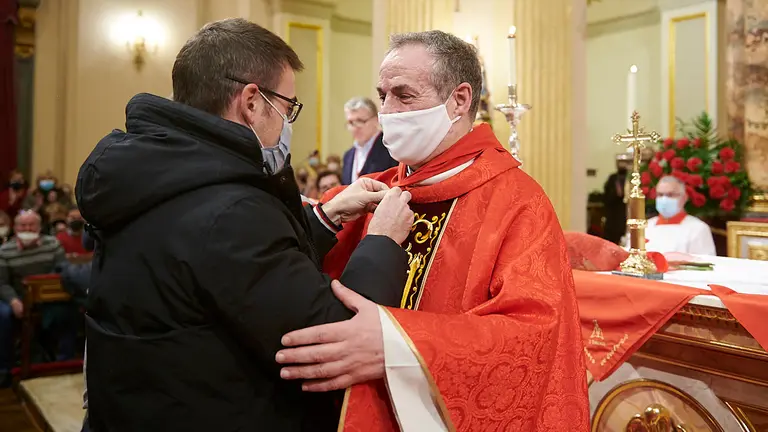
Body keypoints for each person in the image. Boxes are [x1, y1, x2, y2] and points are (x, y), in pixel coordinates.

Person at [76, 19, 414, 432]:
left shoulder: (156, 172)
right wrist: (381, 241)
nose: (288, 122)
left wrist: (326, 216)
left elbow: (234, 266)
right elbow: (335, 341)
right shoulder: (230, 208)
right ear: (252, 101)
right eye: (288, 107)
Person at [276, 30, 589, 431]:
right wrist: (329, 216)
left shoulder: (516, 202)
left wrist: (398, 346)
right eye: (382, 94)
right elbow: (288, 271)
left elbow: (533, 335)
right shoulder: (374, 190)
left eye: (403, 96)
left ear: (459, 100)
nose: (387, 110)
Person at [0, 211, 73, 383]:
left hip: (46, 296)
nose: (27, 228)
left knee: (69, 311)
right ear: (15, 228)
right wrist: (13, 301)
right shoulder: (4, 251)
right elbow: (1, 283)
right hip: (15, 297)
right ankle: (4, 369)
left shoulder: (53, 245)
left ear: (39, 227)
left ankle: (65, 363)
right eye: (23, 225)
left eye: (31, 224)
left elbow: (63, 271)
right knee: (2, 317)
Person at [645, 175, 716, 255]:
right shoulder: (645, 227)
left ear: (684, 198)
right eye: (660, 195)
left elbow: (705, 262)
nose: (664, 199)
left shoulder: (698, 228)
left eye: (670, 195)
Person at [341, 97, 397, 185]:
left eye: (360, 121)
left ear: (376, 120)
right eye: (351, 122)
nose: (355, 127)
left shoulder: (390, 147)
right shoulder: (348, 156)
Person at [603, 153, 632, 244]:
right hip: (615, 213)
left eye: (624, 162)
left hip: (629, 210)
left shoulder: (632, 177)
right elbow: (606, 196)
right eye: (620, 162)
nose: (622, 165)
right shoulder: (613, 178)